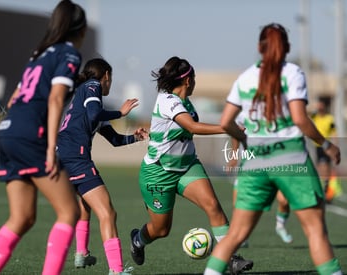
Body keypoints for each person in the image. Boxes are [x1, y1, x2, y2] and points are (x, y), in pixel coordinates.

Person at [204, 23, 342, 275]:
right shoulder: (292, 73)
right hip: (291, 159)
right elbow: (300, 119)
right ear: (287, 48)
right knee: (315, 231)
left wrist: (244, 140)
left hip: (256, 161)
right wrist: (327, 145)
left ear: (259, 47)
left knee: (234, 235)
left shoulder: (245, 77)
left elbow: (226, 122)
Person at [0, 1, 87, 275]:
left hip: (7, 131)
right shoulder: (69, 54)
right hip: (30, 135)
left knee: (22, 217)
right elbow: (55, 99)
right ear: (80, 28)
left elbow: (15, 98)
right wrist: (51, 147)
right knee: (69, 212)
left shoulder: (37, 56)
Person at [129, 56, 253, 275]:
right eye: (193, 78)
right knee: (161, 229)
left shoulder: (185, 101)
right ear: (188, 80)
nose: (195, 82)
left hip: (187, 166)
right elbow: (192, 127)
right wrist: (227, 127)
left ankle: (231, 259)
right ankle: (138, 240)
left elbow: (180, 130)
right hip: (158, 173)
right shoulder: (168, 101)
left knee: (213, 206)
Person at [56, 58, 148, 275]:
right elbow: (95, 114)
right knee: (108, 212)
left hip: (62, 157)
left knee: (84, 205)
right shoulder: (92, 86)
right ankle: (116, 270)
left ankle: (82, 254)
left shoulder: (87, 99)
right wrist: (121, 113)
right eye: (111, 78)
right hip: (75, 157)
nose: (109, 83)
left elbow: (114, 140)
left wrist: (136, 138)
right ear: (106, 75)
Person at [311, 96, 337, 202]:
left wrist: (335, 145)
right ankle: (324, 189)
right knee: (320, 168)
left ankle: (326, 191)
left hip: (326, 146)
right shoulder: (315, 116)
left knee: (325, 167)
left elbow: (334, 132)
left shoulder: (329, 118)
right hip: (317, 146)